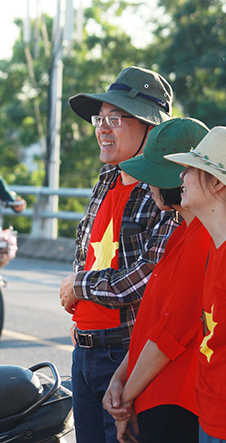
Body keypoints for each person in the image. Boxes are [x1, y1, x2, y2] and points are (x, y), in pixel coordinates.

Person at [58, 66, 179, 443]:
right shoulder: (106, 178)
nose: (102, 128)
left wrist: (79, 285)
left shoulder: (167, 190)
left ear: (150, 127)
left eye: (117, 118)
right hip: (83, 351)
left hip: (129, 354)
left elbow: (147, 278)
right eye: (100, 118)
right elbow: (88, 252)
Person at [101, 118, 210, 443]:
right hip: (152, 395)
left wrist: (125, 396)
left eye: (152, 177)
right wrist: (120, 381)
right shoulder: (181, 233)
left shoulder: (204, 239)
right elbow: (152, 323)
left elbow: (170, 334)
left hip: (174, 403)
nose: (148, 186)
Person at [165, 127, 226, 443]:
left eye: (191, 168)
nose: (182, 176)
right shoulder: (216, 248)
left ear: (216, 182)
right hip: (209, 417)